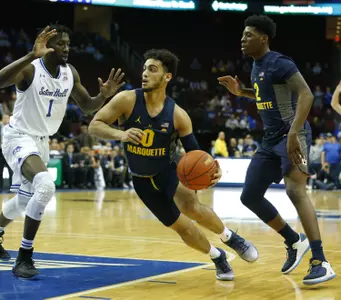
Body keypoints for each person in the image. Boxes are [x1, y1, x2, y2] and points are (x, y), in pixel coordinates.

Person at [89, 49, 258, 281]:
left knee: (192, 208)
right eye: (145, 68)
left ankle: (230, 237)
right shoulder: (126, 100)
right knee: (183, 228)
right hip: (141, 180)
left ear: (167, 77)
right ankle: (217, 256)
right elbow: (95, 125)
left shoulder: (178, 115)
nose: (145, 74)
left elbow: (196, 154)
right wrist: (121, 134)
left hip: (169, 171)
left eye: (153, 69)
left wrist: (212, 170)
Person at [218, 15, 336, 285]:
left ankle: (320, 261)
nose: (242, 39)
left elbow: (306, 94)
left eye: (248, 35)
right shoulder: (256, 66)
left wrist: (294, 133)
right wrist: (242, 92)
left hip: (294, 133)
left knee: (295, 190)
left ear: (264, 38)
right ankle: (294, 241)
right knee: (249, 196)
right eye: (242, 35)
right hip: (271, 139)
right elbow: (264, 97)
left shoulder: (279, 62)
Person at [0, 24, 125, 278]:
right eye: (60, 44)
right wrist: (29, 55)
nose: (66, 48)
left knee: (25, 201)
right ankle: (24, 256)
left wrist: (104, 96)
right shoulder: (31, 70)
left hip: (42, 141)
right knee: (46, 186)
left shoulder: (70, 73)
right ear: (46, 46)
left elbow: (88, 106)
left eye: (68, 43)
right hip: (19, 136)